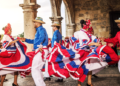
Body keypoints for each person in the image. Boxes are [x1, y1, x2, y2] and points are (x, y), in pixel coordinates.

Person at [20, 17, 48, 86]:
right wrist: (25, 40)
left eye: (34, 22)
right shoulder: (39, 30)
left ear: (38, 23)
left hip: (40, 50)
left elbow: (42, 38)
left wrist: (39, 46)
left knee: (35, 69)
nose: (34, 23)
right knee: (38, 69)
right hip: (41, 49)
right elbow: (34, 41)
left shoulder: (41, 29)